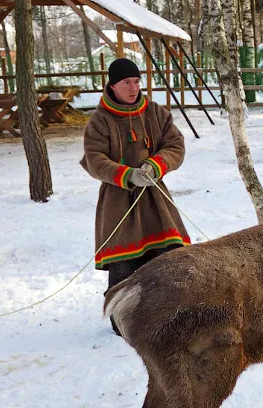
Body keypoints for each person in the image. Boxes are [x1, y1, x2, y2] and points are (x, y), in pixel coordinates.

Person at [80, 57, 189, 335]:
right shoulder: (99, 120)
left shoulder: (155, 112)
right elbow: (94, 159)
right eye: (126, 82)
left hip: (155, 197)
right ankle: (122, 321)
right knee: (123, 264)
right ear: (113, 86)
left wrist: (156, 164)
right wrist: (126, 175)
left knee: (169, 256)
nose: (133, 87)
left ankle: (173, 311)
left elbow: (175, 145)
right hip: (118, 201)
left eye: (137, 81)